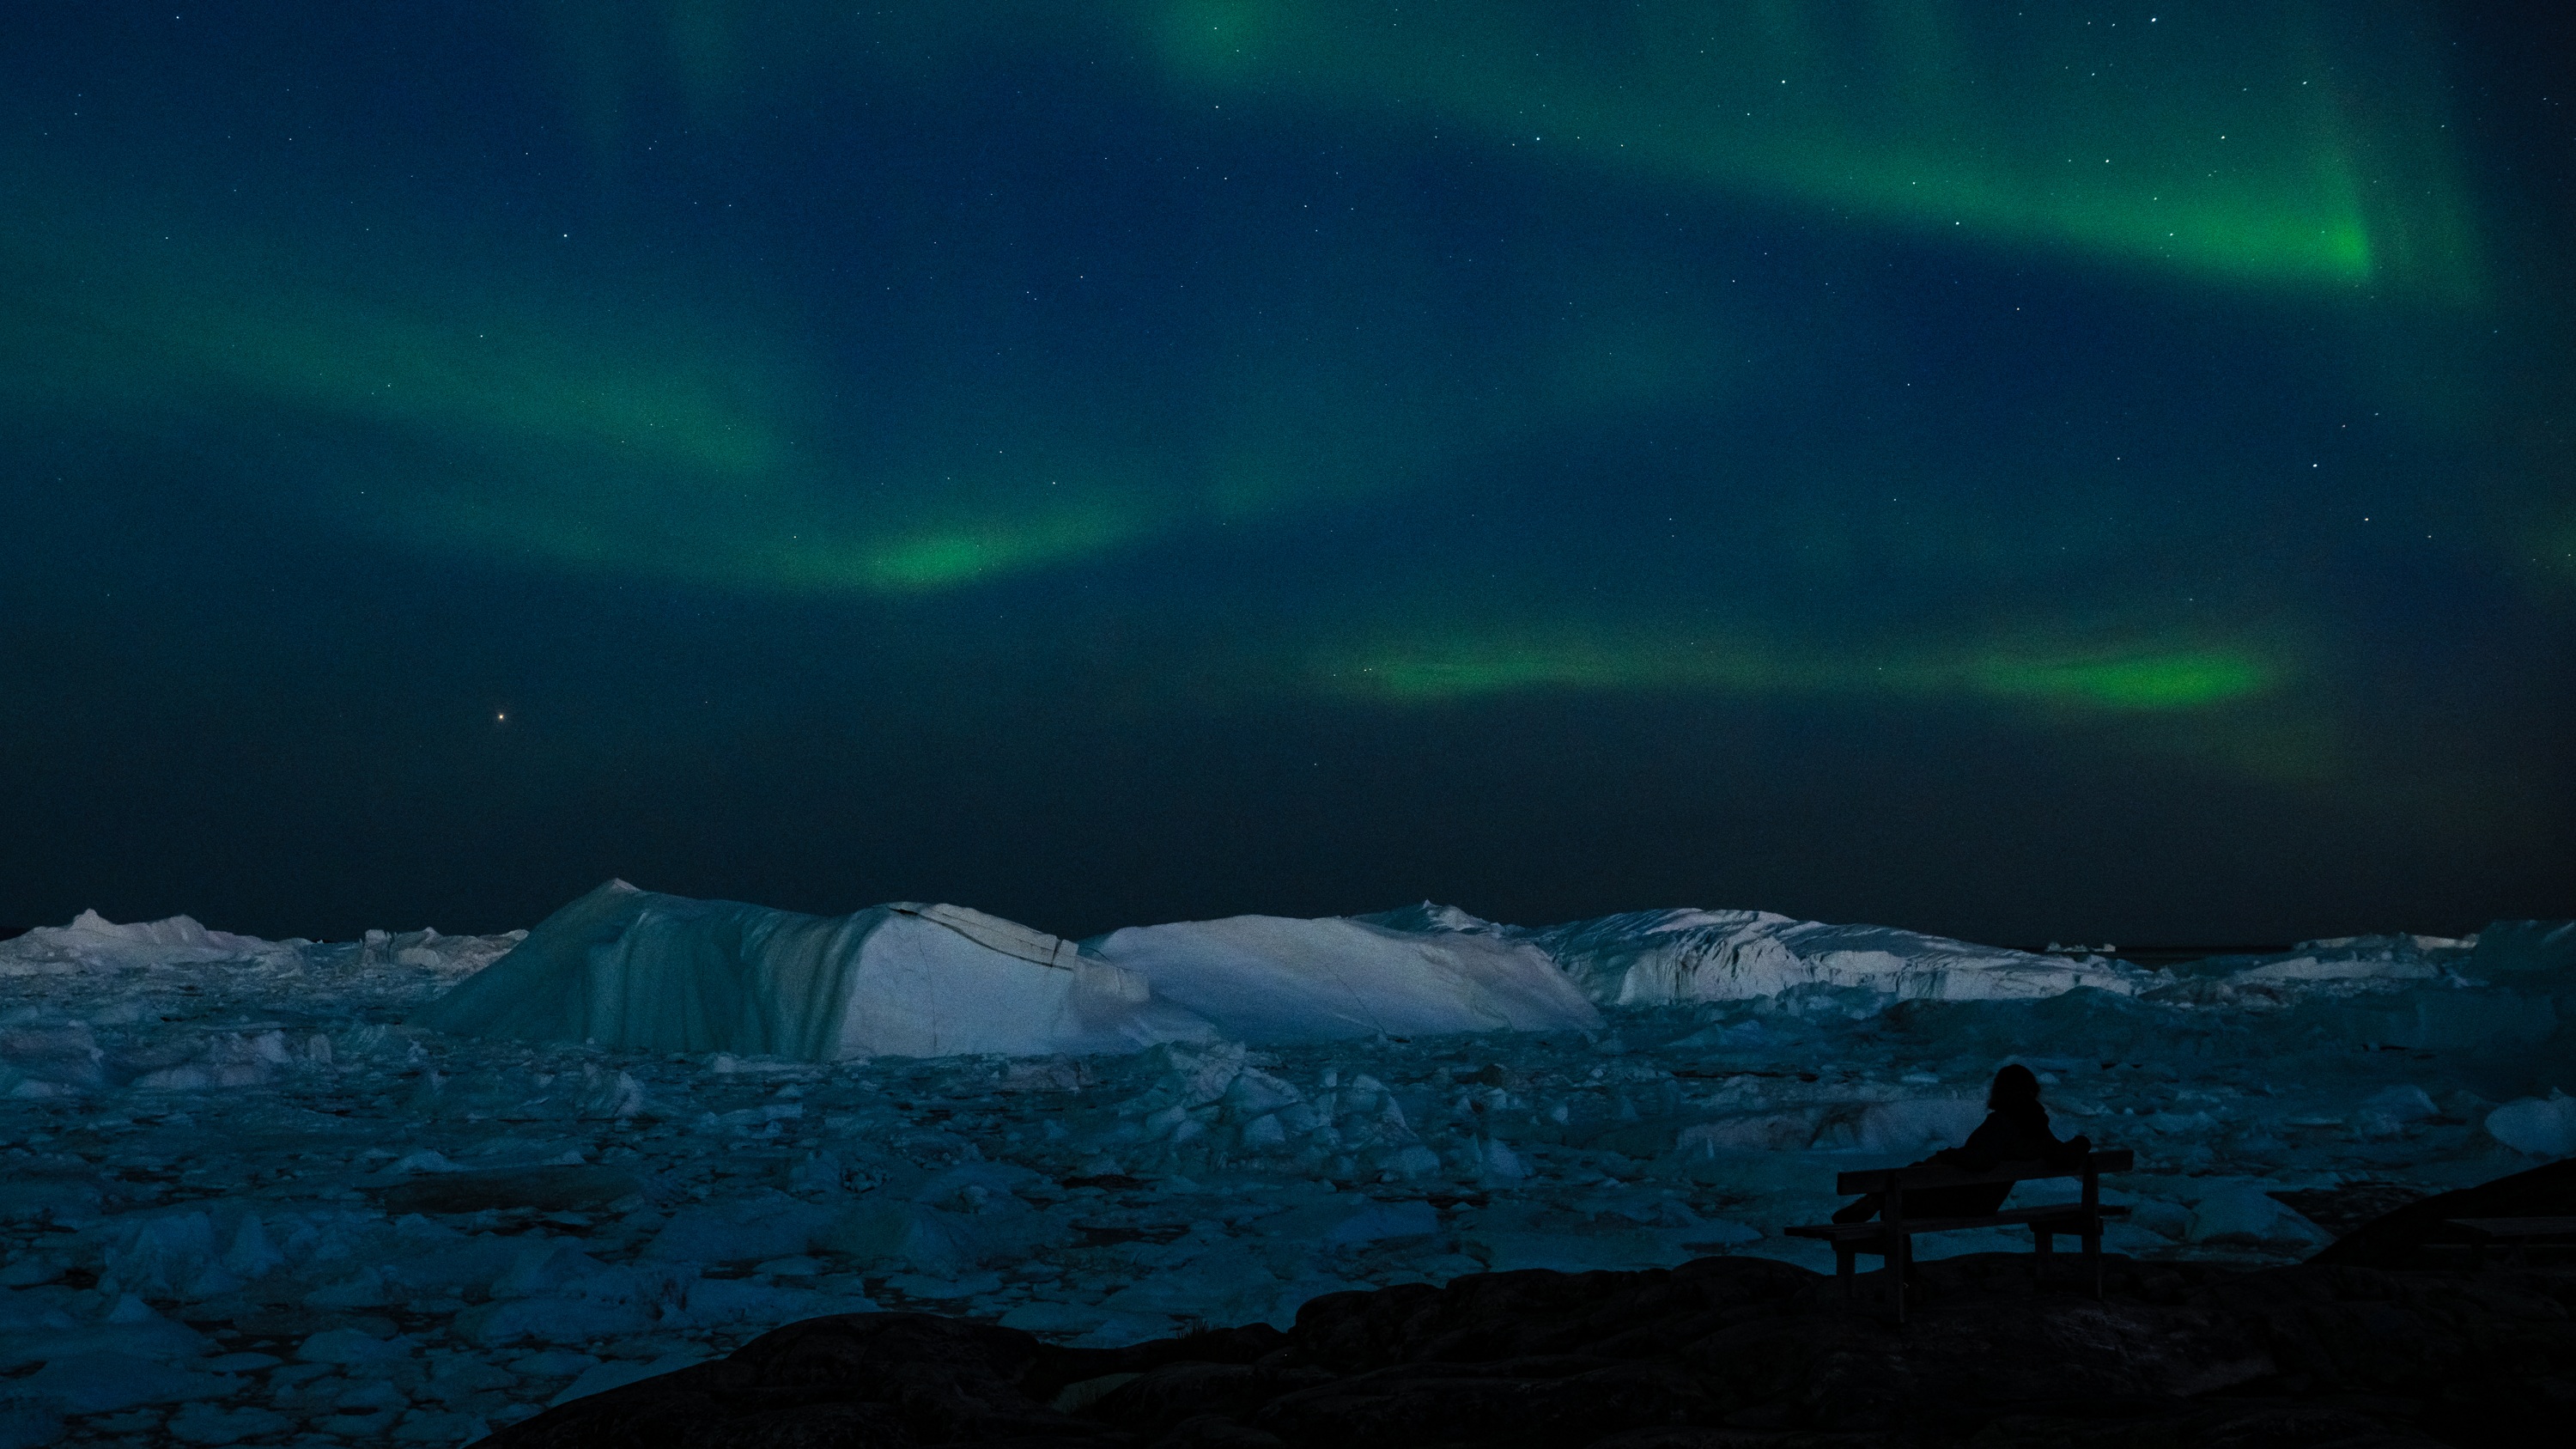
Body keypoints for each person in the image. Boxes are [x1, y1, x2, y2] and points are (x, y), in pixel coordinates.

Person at [1831, 1063, 2092, 1223]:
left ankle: (1903, 1274)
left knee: (1896, 1204)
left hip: (1968, 1200)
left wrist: (1952, 1155)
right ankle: (1872, 1203)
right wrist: (2082, 1143)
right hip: (1985, 1200)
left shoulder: (2001, 1123)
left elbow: (1982, 1160)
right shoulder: (2036, 1127)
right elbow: (2063, 1155)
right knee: (1912, 1178)